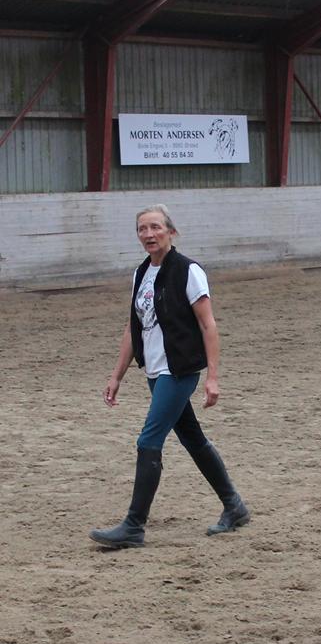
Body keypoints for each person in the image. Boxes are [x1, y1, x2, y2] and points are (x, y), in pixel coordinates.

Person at [90, 204, 250, 548]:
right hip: (154, 370)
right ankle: (234, 506)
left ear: (171, 231)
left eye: (155, 227)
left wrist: (212, 377)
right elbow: (132, 328)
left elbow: (208, 325)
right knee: (193, 438)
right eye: (142, 229)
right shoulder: (141, 273)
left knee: (148, 441)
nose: (148, 234)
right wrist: (117, 376)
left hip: (178, 371)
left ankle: (134, 526)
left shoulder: (188, 271)